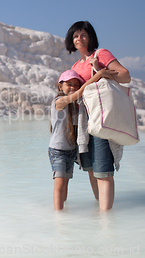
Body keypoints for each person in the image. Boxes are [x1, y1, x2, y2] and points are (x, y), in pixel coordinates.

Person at [65, 21, 131, 211]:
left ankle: (106, 219)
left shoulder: (100, 54)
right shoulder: (76, 65)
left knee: (103, 169)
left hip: (102, 115)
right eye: (76, 35)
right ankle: (100, 216)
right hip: (84, 119)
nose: (79, 38)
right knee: (91, 169)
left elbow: (126, 75)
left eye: (83, 35)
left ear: (90, 37)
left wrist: (100, 69)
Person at [49, 69, 115, 210]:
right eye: (69, 84)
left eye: (75, 84)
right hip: (58, 151)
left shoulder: (75, 106)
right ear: (60, 86)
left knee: (65, 187)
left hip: (70, 151)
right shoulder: (58, 102)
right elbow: (79, 94)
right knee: (59, 185)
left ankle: (63, 214)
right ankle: (58, 217)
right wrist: (98, 75)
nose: (72, 87)